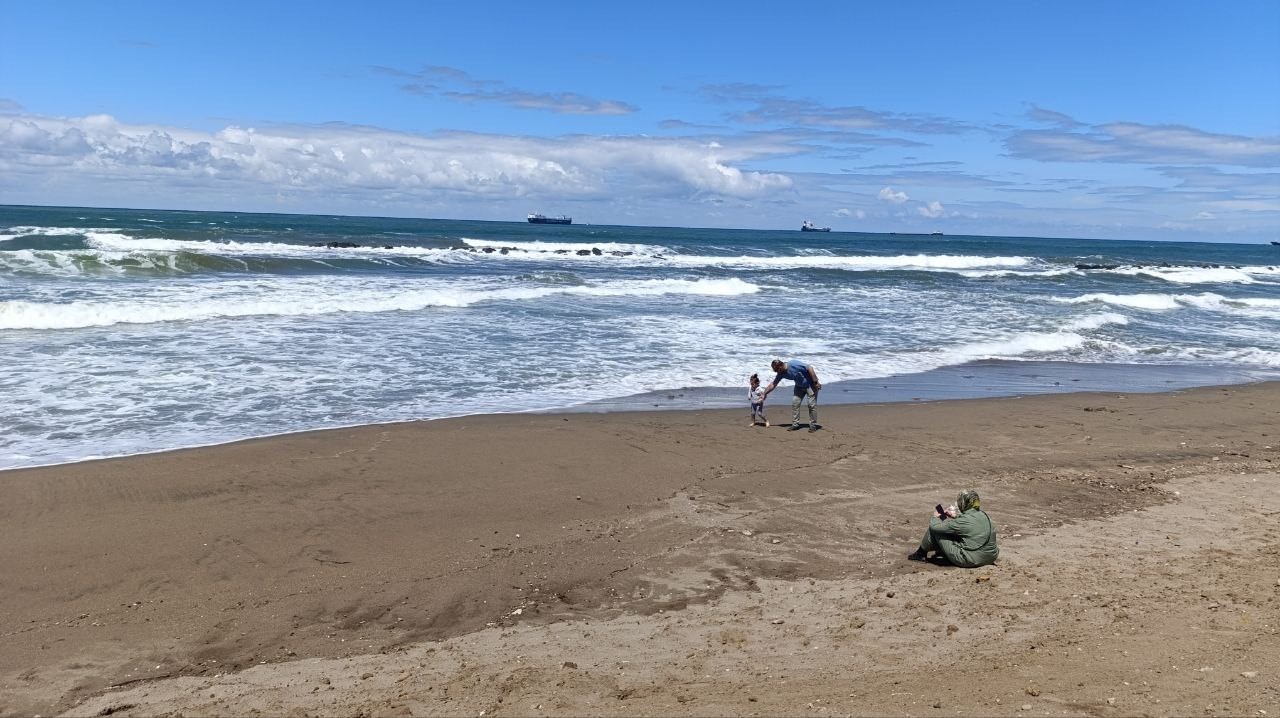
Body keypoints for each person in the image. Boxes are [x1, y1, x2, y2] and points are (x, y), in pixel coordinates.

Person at [907, 489, 999, 567]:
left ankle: (920, 554)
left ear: (964, 503)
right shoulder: (985, 515)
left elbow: (934, 527)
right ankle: (941, 551)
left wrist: (935, 517)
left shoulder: (963, 522)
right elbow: (970, 524)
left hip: (972, 560)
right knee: (959, 534)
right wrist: (955, 516)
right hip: (990, 557)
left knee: (937, 532)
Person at [760, 358, 821, 432]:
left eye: (777, 370)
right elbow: (773, 384)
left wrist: (816, 382)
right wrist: (764, 393)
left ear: (780, 366)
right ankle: (795, 424)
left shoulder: (793, 364)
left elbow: (810, 368)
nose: (777, 372)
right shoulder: (781, 373)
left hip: (810, 385)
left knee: (811, 405)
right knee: (795, 404)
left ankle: (813, 425)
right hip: (799, 387)